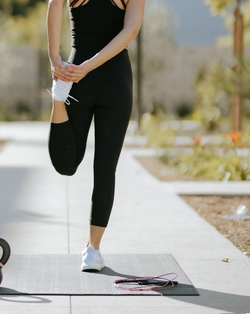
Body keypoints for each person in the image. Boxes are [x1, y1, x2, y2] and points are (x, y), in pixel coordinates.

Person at [46, 0, 145, 271]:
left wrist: (55, 59)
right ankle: (93, 251)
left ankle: (57, 99)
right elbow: (130, 30)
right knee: (105, 170)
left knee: (67, 165)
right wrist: (88, 66)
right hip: (114, 78)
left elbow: (54, 5)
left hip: (76, 76)